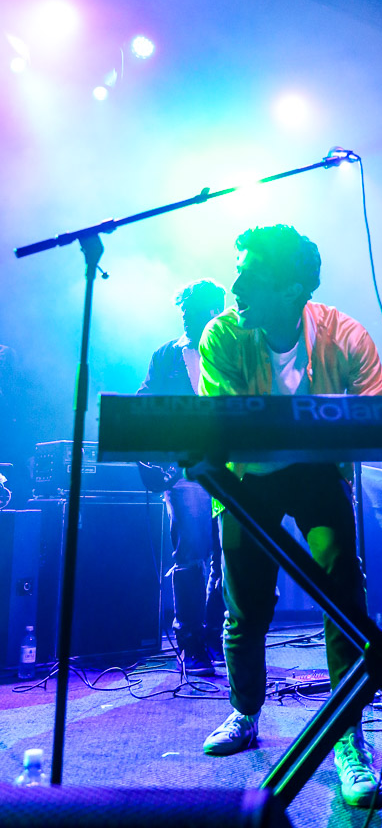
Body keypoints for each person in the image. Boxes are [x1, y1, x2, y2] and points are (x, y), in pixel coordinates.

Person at [198, 224, 382, 809]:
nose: (234, 284)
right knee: (247, 604)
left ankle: (347, 737)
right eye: (236, 269)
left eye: (250, 274)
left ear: (293, 288)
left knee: (342, 590)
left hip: (314, 477)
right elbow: (219, 428)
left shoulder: (344, 333)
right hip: (245, 479)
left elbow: (380, 414)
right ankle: (245, 711)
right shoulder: (222, 336)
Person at [138, 279, 227, 677]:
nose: (188, 318)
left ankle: (214, 636)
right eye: (185, 311)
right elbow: (144, 402)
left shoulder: (231, 347)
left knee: (230, 560)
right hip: (185, 472)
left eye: (196, 310)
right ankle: (190, 641)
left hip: (229, 469)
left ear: (216, 311)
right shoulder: (165, 355)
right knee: (192, 556)